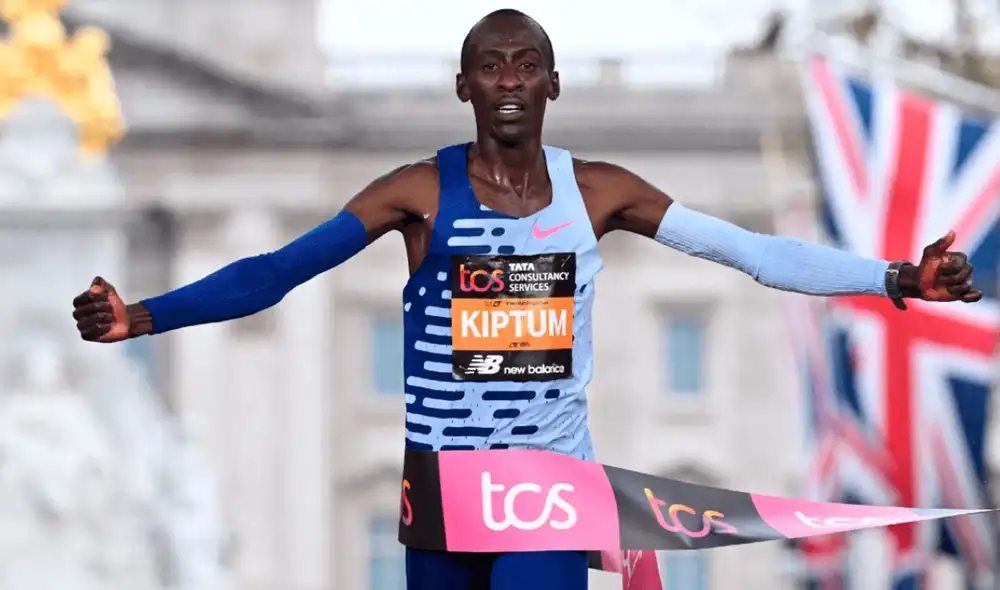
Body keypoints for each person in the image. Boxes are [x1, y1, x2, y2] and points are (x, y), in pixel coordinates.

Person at [71, 9, 981, 590]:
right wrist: (145, 316)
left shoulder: (599, 192)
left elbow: (751, 252)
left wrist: (895, 278)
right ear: (464, 87)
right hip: (441, 490)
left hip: (547, 486)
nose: (509, 81)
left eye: (526, 65)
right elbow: (279, 270)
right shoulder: (415, 194)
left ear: (552, 84)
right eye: (490, 67)